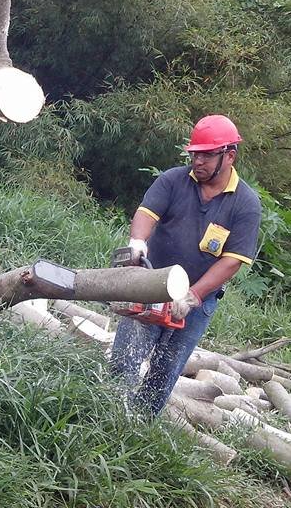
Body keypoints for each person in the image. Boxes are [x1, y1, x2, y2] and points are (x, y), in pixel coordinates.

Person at [110, 114, 262, 416]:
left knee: (165, 371)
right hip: (153, 284)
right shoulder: (173, 180)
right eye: (194, 154)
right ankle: (110, 412)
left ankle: (141, 424)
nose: (198, 161)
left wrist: (193, 295)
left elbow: (233, 260)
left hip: (198, 300)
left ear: (229, 156)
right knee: (125, 359)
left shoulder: (245, 203)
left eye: (206, 155)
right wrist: (138, 243)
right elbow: (146, 214)